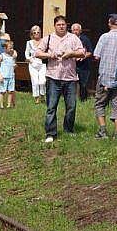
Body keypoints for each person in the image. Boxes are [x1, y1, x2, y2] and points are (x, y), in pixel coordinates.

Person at [33, 15, 85, 143]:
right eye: (58, 24)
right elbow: (37, 53)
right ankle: (51, 133)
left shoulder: (73, 38)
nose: (61, 26)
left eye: (63, 24)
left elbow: (82, 52)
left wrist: (71, 54)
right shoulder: (48, 38)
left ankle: (68, 129)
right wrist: (49, 55)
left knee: (71, 106)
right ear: (54, 26)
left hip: (70, 78)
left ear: (66, 25)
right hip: (53, 77)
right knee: (51, 106)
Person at [71, 23, 94, 101]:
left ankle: (83, 100)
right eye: (74, 30)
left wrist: (83, 56)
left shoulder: (85, 39)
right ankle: (71, 99)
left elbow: (90, 51)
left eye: (77, 30)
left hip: (84, 65)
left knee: (83, 84)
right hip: (71, 65)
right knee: (70, 83)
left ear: (80, 31)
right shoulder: (68, 39)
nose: (75, 31)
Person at [25, 25, 47, 104]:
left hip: (42, 64)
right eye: (34, 33)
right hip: (33, 64)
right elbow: (27, 53)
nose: (36, 34)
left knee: (42, 81)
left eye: (38, 32)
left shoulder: (43, 41)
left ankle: (42, 95)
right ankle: (37, 98)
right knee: (35, 81)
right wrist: (30, 60)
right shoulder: (29, 43)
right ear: (32, 34)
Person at [0, 40, 17, 109]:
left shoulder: (13, 56)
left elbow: (14, 64)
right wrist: (0, 75)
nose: (12, 49)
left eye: (12, 48)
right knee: (2, 92)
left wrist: (15, 65)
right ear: (5, 48)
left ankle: (9, 105)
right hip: (3, 77)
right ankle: (1, 105)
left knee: (10, 91)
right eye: (10, 48)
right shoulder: (2, 56)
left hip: (11, 76)